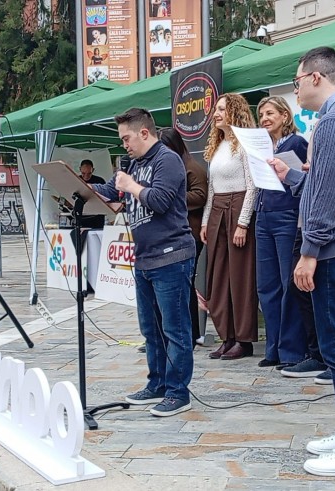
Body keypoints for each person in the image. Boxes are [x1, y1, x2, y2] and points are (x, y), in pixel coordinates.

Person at [268, 47, 335, 476]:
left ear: (316, 77)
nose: (295, 91)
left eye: (296, 82)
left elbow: (329, 197)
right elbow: (327, 184)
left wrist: (309, 252)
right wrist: (292, 176)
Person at [92, 108, 195, 417]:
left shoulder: (168, 160)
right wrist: (80, 187)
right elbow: (109, 190)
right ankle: (158, 383)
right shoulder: (132, 164)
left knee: (175, 330)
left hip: (171, 256)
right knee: (150, 329)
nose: (124, 145)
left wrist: (131, 186)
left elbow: (161, 201)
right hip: (144, 258)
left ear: (144, 133)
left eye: (127, 138)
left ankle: (179, 392)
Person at [201, 93, 259, 361]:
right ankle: (227, 336)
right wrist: (205, 221)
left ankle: (244, 339)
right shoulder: (219, 145)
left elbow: (252, 186)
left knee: (240, 277)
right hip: (217, 211)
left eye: (222, 109)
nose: (216, 113)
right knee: (219, 277)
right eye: (216, 109)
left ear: (235, 111)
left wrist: (243, 222)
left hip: (237, 208)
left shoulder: (244, 144)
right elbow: (212, 189)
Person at [254, 96, 308, 369]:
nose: (264, 118)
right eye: (261, 114)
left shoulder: (296, 143)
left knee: (288, 285)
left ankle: (292, 351)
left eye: (270, 113)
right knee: (267, 286)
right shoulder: (264, 147)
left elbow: (302, 185)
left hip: (287, 216)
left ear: (285, 116)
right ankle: (273, 347)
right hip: (264, 216)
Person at [158, 127, 208, 347]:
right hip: (173, 233)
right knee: (175, 285)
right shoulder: (170, 167)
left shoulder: (192, 168)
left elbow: (201, 196)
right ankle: (170, 333)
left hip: (190, 234)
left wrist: (170, 196)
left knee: (183, 284)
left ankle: (191, 332)